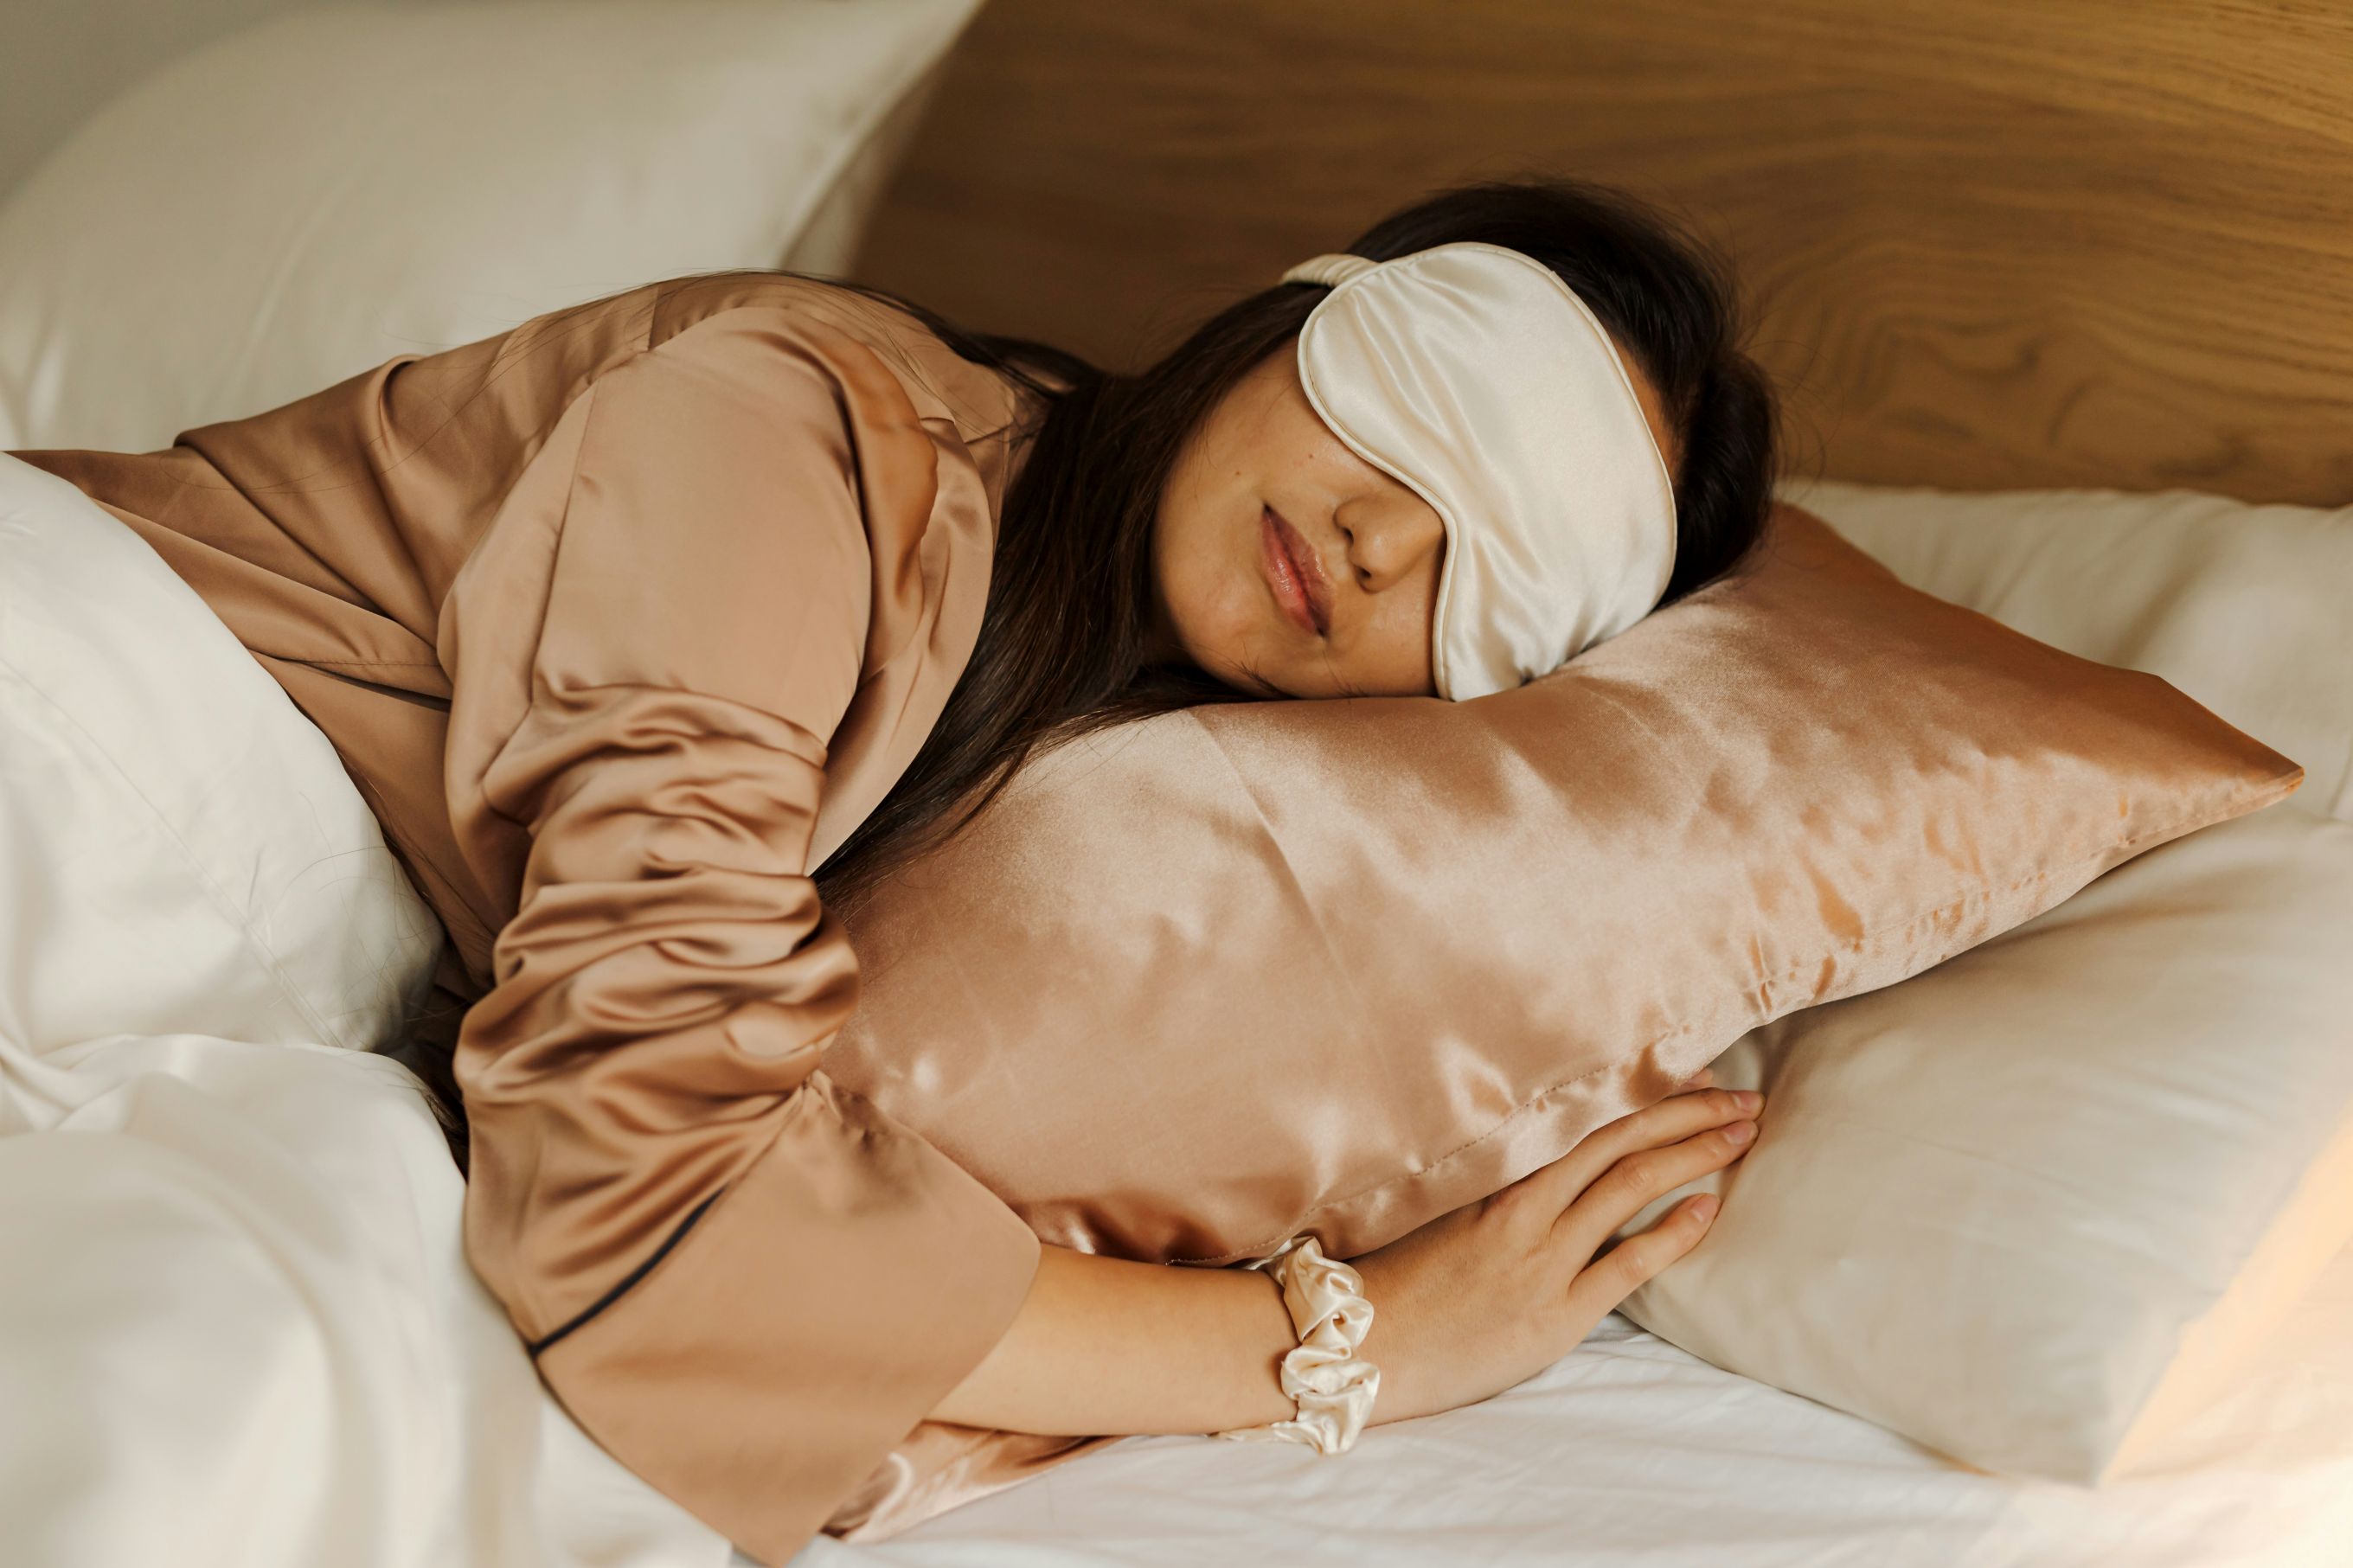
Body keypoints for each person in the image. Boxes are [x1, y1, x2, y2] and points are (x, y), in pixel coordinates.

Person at [12, 175, 1779, 1564]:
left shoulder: (1119, 760)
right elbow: (637, 1169)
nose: (1385, 535)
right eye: (1432, 408)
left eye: (1503, 571)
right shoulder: (798, 423)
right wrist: (1354, 1337)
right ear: (1309, 305)